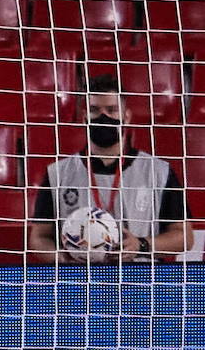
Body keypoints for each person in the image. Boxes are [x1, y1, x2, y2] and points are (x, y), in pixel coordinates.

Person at [29, 73, 191, 263]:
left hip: (140, 277)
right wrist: (65, 257)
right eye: (95, 110)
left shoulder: (158, 172)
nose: (103, 117)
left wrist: (141, 245)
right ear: (85, 117)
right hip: (80, 277)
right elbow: (39, 237)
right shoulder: (58, 173)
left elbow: (185, 237)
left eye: (112, 110)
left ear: (126, 116)